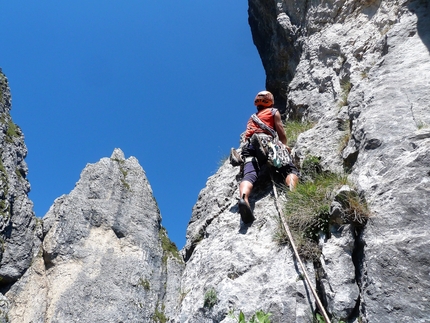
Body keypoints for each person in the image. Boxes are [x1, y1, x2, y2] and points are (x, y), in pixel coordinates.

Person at [232, 90, 300, 223]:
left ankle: (244, 198)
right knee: (289, 169)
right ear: (270, 101)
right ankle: (293, 194)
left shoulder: (252, 117)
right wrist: (283, 144)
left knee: (249, 175)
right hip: (267, 141)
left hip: (249, 146)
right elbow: (279, 129)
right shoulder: (273, 111)